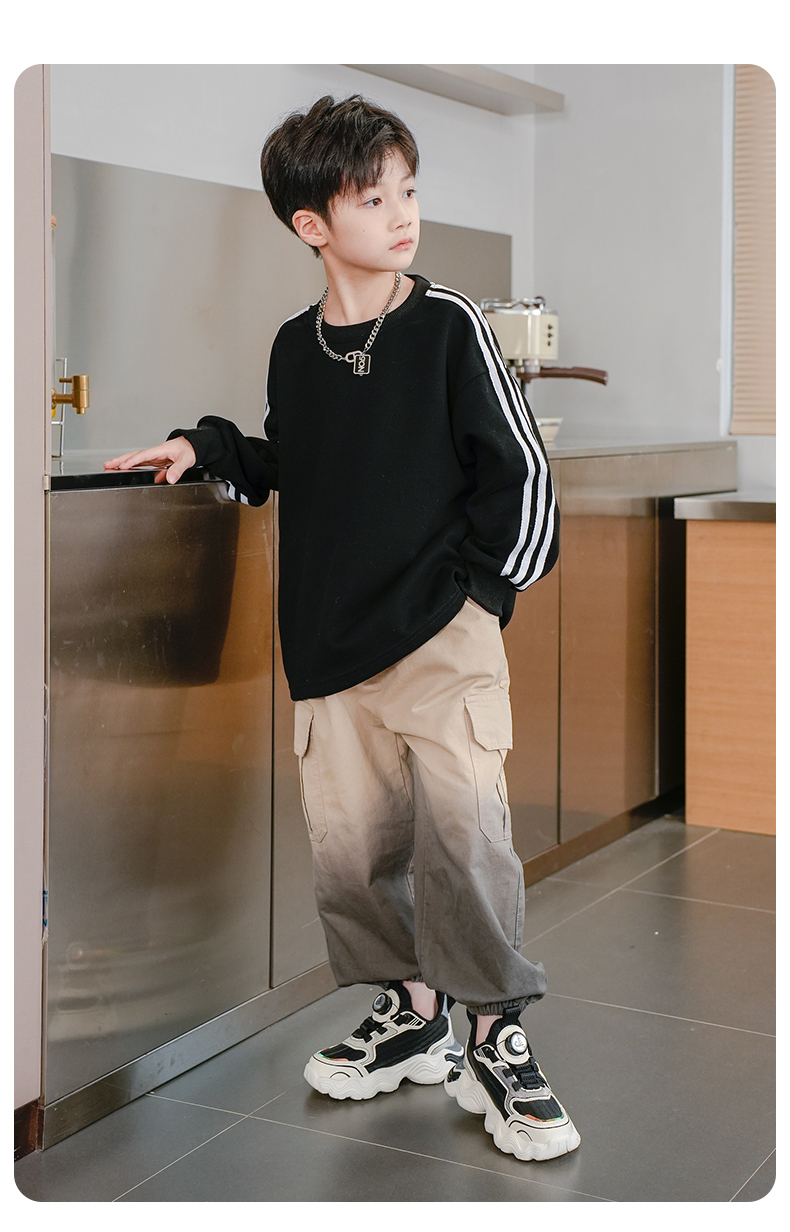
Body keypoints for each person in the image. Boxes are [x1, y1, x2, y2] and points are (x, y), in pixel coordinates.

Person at [105, 94, 580, 1162]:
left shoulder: (449, 326)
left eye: (407, 190)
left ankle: (493, 1036)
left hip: (442, 639)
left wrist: (479, 599)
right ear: (311, 223)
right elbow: (296, 460)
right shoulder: (294, 345)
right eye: (374, 199)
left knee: (466, 842)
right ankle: (411, 1012)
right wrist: (207, 447)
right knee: (354, 852)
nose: (402, 213)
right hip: (329, 648)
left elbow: (522, 477)